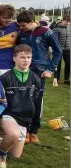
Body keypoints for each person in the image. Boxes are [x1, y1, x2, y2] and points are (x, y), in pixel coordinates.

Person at [17, 10, 62, 143]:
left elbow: (58, 51)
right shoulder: (21, 33)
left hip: (39, 71)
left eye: (23, 25)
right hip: (23, 70)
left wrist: (50, 69)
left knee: (36, 101)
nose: (21, 28)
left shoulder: (45, 31)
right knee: (22, 100)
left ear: (32, 22)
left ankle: (34, 131)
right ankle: (24, 130)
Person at [0, 44, 41, 168]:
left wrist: (34, 128)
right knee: (13, 135)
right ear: (14, 58)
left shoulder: (36, 79)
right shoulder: (3, 78)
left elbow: (37, 104)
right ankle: (1, 155)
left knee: (15, 155)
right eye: (22, 57)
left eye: (28, 57)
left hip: (25, 119)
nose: (26, 60)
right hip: (9, 115)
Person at [53, 14, 70, 86]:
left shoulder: (69, 28)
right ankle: (57, 79)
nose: (68, 23)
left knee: (69, 64)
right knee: (58, 65)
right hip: (59, 50)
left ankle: (66, 79)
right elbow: (54, 40)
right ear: (63, 20)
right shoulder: (56, 29)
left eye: (69, 22)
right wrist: (56, 48)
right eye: (67, 22)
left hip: (68, 49)